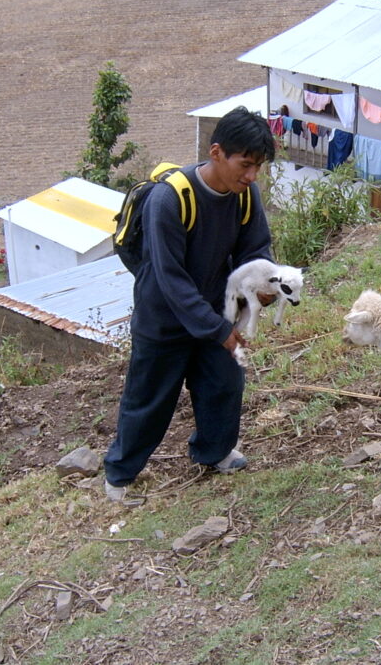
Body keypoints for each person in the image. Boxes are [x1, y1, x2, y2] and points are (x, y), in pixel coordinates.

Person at [103, 106, 276, 503]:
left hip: (216, 310)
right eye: (245, 164)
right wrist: (220, 331)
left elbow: (255, 250)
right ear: (216, 153)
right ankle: (120, 474)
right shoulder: (170, 199)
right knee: (150, 398)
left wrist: (261, 286)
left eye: (258, 167)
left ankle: (214, 452)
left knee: (223, 384)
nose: (251, 176)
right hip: (163, 317)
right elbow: (170, 278)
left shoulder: (245, 196)